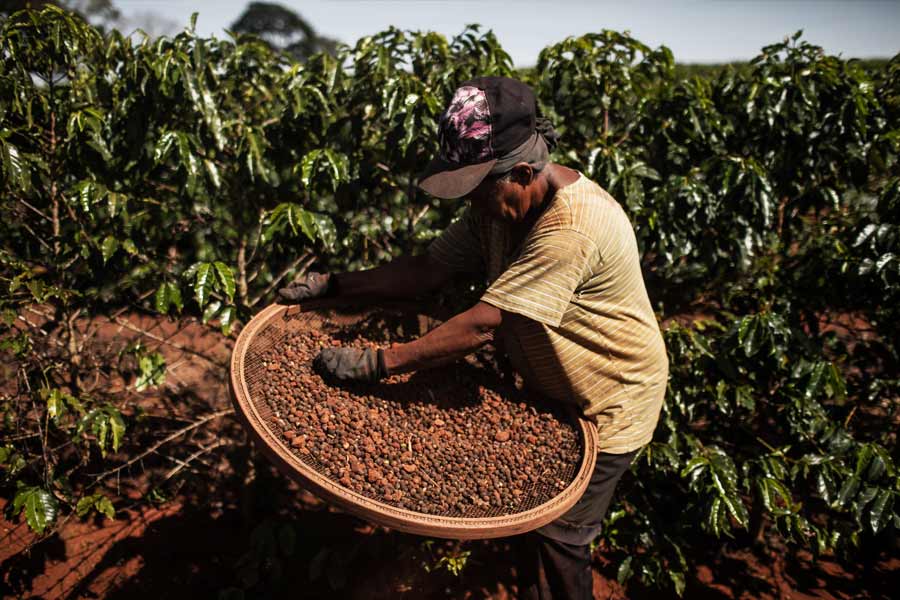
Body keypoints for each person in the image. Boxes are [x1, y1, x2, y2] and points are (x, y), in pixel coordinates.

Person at [278, 76, 669, 600]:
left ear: (525, 172)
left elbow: (485, 323)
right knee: (526, 520)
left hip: (610, 398)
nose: (475, 202)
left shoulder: (572, 228)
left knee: (560, 537)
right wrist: (337, 284)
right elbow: (428, 269)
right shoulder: (500, 209)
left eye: (482, 188)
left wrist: (379, 363)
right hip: (552, 389)